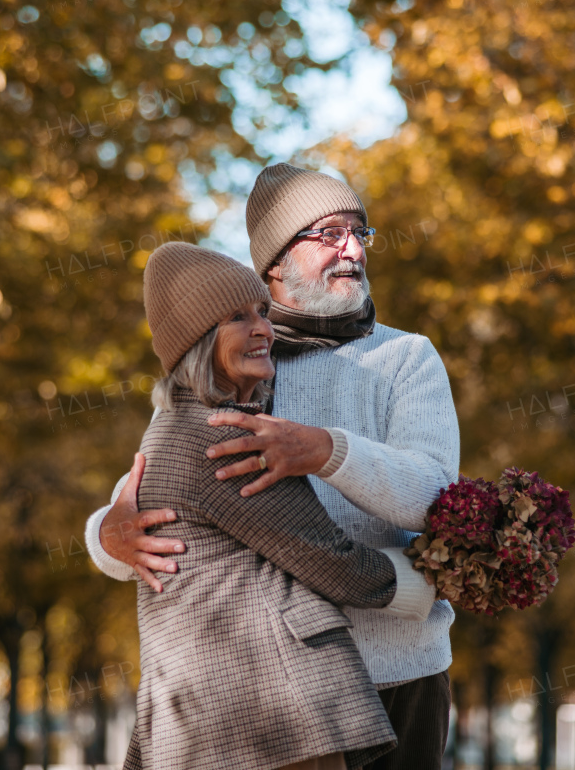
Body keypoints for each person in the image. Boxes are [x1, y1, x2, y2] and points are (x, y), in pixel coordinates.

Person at [89, 163, 460, 770]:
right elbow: (157, 493)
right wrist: (104, 535)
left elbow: (436, 495)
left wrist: (326, 451)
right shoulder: (233, 361)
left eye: (358, 233)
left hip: (403, 672)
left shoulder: (405, 357)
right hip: (276, 691)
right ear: (274, 263)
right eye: (328, 234)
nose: (352, 250)